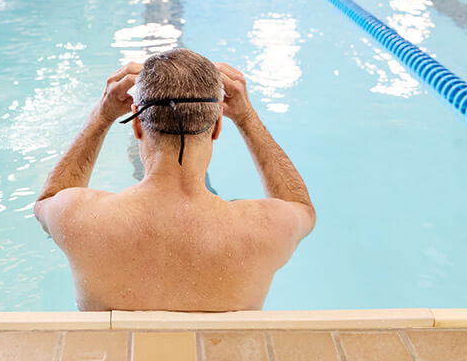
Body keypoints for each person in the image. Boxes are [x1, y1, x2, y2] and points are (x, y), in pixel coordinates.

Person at [34, 49, 316, 312]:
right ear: (217, 126)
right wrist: (247, 118)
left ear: (136, 125)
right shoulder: (266, 228)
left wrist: (102, 115)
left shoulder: (79, 217)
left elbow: (47, 200)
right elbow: (301, 207)